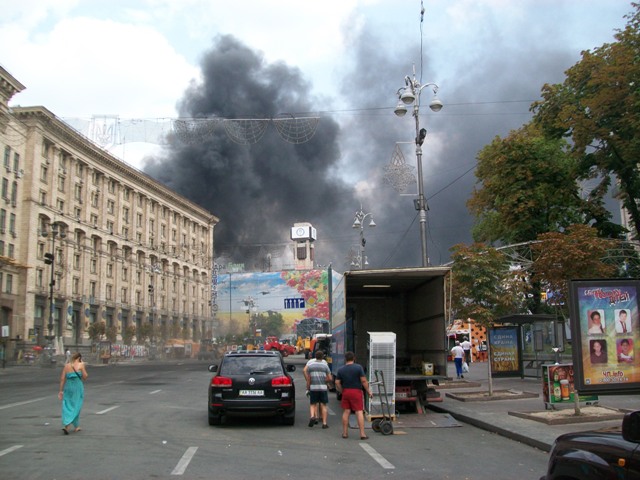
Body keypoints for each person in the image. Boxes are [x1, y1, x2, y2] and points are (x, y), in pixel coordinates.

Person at [335, 351, 373, 440]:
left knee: (346, 411)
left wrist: (341, 390)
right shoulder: (358, 368)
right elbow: (363, 381)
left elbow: (337, 382)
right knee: (359, 412)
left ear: (345, 359)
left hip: (346, 391)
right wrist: (368, 391)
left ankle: (345, 433)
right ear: (354, 358)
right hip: (356, 392)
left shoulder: (341, 369)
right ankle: (362, 434)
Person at [58, 352, 88, 434]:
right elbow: (85, 377)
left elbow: (62, 379)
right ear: (79, 358)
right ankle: (67, 424)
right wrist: (83, 367)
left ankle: (76, 426)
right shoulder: (81, 365)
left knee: (67, 405)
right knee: (76, 405)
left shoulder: (67, 366)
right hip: (77, 387)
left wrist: (60, 391)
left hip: (68, 386)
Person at [303, 350, 332, 428]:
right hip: (323, 388)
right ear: (322, 357)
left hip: (313, 388)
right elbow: (330, 378)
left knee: (313, 404)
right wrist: (325, 381)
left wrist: (308, 388)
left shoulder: (311, 366)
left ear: (315, 356)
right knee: (323, 405)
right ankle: (324, 423)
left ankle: (313, 416)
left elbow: (309, 379)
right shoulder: (325, 366)